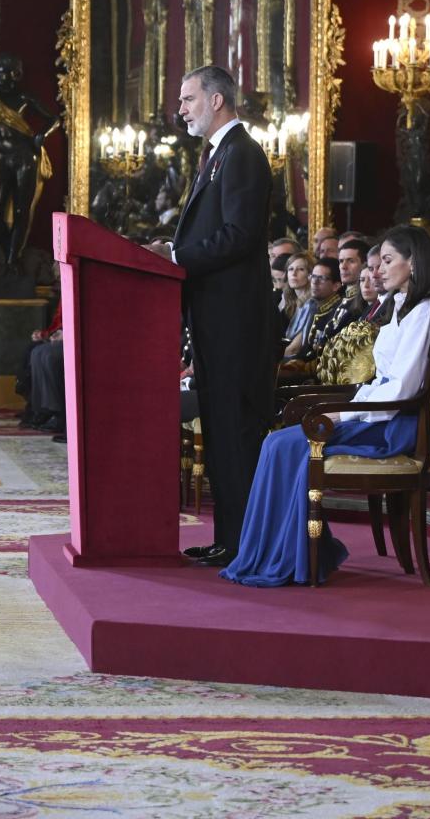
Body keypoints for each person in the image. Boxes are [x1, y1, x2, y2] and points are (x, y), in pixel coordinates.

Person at [221, 225, 430, 586]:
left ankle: (291, 558)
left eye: (388, 261)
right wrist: (347, 405)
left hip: (393, 426)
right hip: (378, 412)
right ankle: (272, 553)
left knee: (284, 444)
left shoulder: (426, 311)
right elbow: (380, 381)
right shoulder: (399, 306)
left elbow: (403, 388)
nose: (378, 270)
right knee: (275, 442)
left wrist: (344, 413)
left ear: (415, 263)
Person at [159, 65, 276, 567]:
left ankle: (247, 545)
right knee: (223, 436)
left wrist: (176, 257)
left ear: (217, 101)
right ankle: (231, 539)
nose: (181, 109)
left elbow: (240, 235)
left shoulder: (242, 155)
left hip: (236, 326)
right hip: (215, 323)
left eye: (188, 99)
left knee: (236, 437)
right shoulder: (218, 156)